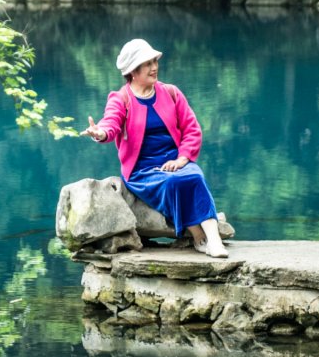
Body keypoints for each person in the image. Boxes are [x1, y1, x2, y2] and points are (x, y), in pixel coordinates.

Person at [84, 39, 228, 257]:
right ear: (133, 71)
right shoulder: (121, 99)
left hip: (174, 159)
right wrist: (100, 133)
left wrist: (182, 159)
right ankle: (199, 238)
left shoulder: (170, 92)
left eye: (154, 61)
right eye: (147, 63)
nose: (154, 67)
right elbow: (110, 123)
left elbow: (192, 128)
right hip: (143, 169)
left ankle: (214, 240)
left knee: (194, 176)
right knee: (173, 182)